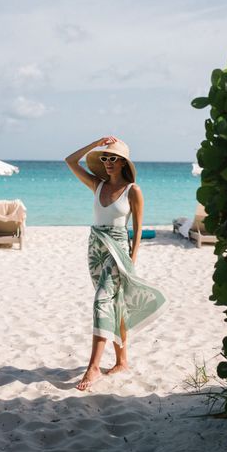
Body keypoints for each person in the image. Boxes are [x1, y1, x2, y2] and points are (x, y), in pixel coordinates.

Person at [65, 136, 167, 391]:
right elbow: (69, 161)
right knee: (115, 304)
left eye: (113, 158)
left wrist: (131, 261)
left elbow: (138, 229)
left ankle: (94, 367)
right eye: (105, 158)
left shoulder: (134, 190)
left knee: (102, 301)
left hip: (118, 250)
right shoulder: (96, 185)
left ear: (123, 163)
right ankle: (122, 361)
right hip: (96, 249)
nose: (108, 162)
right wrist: (96, 143)